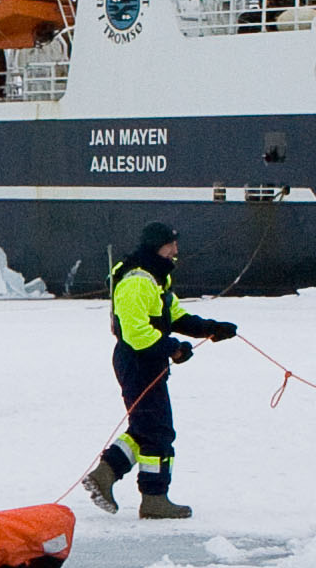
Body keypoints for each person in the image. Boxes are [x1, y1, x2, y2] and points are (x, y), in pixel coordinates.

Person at [81, 222, 235, 521]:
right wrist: (172, 348)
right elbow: (135, 332)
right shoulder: (137, 281)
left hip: (149, 361)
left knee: (147, 427)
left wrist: (209, 329)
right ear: (156, 246)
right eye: (170, 245)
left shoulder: (155, 278)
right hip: (137, 362)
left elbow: (174, 315)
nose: (176, 250)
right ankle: (152, 498)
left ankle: (108, 474)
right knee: (157, 430)